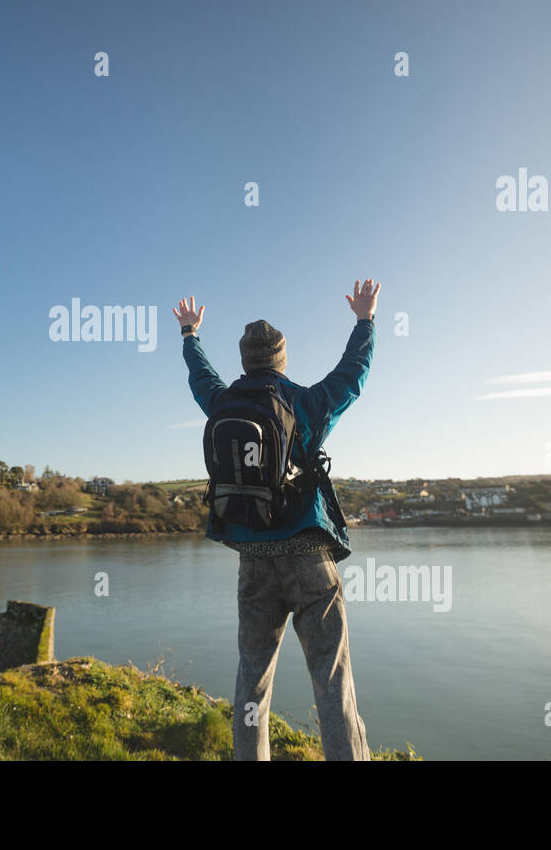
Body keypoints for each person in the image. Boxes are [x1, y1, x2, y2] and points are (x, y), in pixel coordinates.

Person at [173, 280, 380, 760]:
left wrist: (189, 335)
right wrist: (365, 321)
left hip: (254, 562)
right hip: (309, 560)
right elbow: (354, 373)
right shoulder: (307, 404)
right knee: (332, 683)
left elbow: (200, 378)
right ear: (282, 360)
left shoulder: (224, 404)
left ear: (245, 362)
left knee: (251, 684)